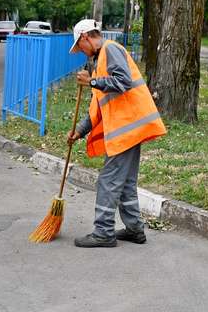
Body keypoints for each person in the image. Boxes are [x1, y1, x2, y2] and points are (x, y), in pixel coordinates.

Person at [66, 19, 167, 248]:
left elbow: (123, 82)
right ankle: (134, 230)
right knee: (126, 183)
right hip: (129, 129)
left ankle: (103, 232)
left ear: (85, 38)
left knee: (108, 180)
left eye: (80, 47)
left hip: (127, 129)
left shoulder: (111, 49)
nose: (82, 52)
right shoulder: (100, 60)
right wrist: (79, 131)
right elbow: (98, 107)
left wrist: (92, 81)